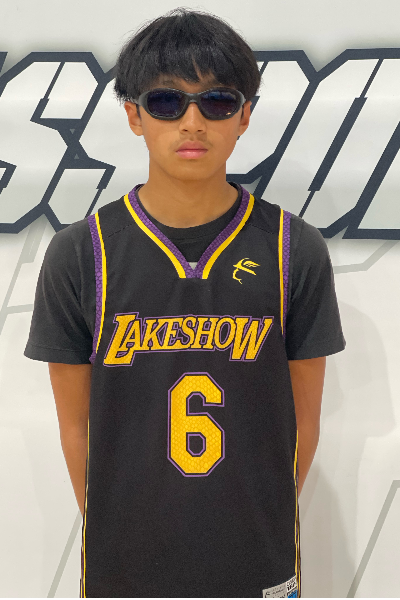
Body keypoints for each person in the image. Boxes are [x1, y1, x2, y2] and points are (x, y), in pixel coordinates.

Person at [24, 7, 346, 598]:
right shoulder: (82, 253)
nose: (192, 122)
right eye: (167, 102)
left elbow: (302, 424)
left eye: (217, 102)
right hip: (124, 568)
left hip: (257, 561)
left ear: (244, 115)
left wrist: (255, 517)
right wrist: (118, 527)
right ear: (134, 115)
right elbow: (77, 426)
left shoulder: (292, 247)